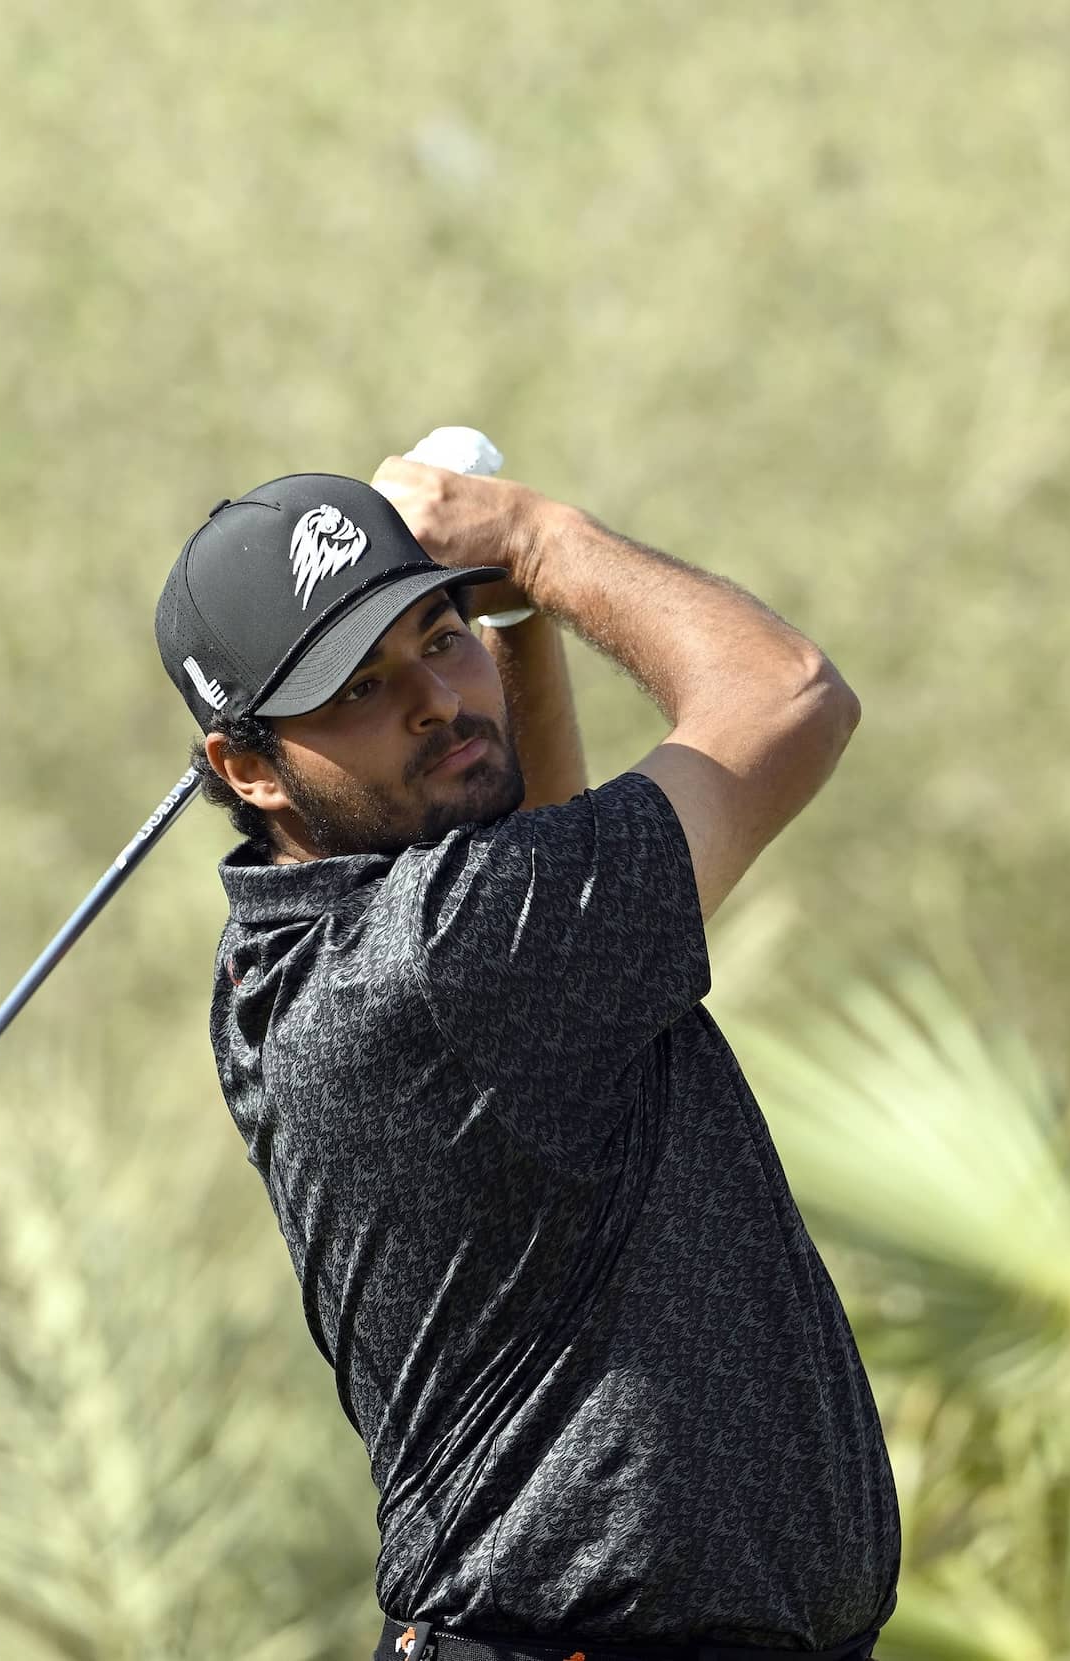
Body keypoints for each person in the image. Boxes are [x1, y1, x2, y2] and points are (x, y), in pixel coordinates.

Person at [153, 456, 899, 1661]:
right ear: (243, 765)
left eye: (437, 635)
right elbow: (791, 695)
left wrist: (511, 624)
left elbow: (536, 856)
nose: (435, 699)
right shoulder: (444, 958)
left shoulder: (296, 953)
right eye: (358, 685)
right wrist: (535, 541)